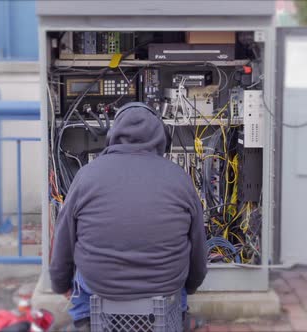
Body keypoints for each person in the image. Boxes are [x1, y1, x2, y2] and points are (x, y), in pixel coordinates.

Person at [49, 102, 208, 331]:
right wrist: (191, 285)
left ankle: (85, 319)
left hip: (100, 285)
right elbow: (198, 246)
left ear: (114, 135)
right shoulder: (179, 178)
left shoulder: (86, 175)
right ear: (161, 137)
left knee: (81, 272)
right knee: (179, 276)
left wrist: (60, 283)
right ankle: (179, 316)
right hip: (164, 286)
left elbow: (64, 239)